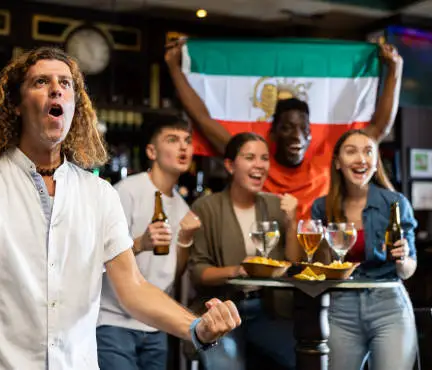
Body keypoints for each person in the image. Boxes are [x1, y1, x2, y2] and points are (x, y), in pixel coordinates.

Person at [0, 47, 241, 370]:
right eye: (40, 82)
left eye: (65, 84)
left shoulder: (99, 194)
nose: (56, 90)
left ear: (75, 106)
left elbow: (133, 288)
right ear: (17, 105)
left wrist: (196, 327)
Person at [165, 40, 403, 220]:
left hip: (316, 263)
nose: (296, 135)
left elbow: (378, 129)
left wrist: (394, 70)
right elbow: (203, 119)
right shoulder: (255, 165)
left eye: (303, 128)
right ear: (274, 133)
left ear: (311, 134)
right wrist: (174, 67)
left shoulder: (325, 163)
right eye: (287, 128)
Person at [96, 116, 202, 370]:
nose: (183, 147)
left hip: (156, 326)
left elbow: (171, 273)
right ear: (151, 151)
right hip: (114, 323)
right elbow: (98, 254)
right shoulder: (126, 191)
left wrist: (185, 242)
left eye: (187, 141)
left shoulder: (182, 206)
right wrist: (140, 243)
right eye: (173, 140)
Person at [188, 132, 300, 370]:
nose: (259, 164)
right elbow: (199, 272)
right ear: (229, 165)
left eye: (264, 158)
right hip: (223, 309)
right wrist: (238, 270)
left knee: (305, 355)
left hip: (268, 310)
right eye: (250, 157)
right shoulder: (206, 207)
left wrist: (291, 222)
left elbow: (293, 262)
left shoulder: (275, 204)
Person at [308, 129, 418, 370]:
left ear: (376, 161)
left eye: (368, 151)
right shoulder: (321, 208)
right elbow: (317, 267)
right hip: (340, 308)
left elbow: (409, 270)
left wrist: (402, 260)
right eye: (351, 152)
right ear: (337, 162)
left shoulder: (396, 203)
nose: (361, 159)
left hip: (389, 305)